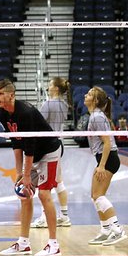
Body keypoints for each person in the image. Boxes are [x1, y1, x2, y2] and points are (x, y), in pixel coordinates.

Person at [0, 79, 61, 256]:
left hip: (49, 152)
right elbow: (16, 142)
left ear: (11, 95)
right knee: (25, 195)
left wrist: (26, 174)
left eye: (0, 94)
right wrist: (19, 173)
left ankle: (54, 244)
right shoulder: (1, 112)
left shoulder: (26, 112)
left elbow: (29, 146)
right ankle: (23, 243)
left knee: (45, 194)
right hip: (33, 154)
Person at [85, 87, 127, 245]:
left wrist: (101, 166)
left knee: (98, 196)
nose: (85, 95)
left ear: (95, 101)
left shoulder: (97, 117)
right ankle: (105, 230)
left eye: (89, 94)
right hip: (104, 158)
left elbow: (108, 142)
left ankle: (117, 229)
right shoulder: (95, 116)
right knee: (94, 195)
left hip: (108, 158)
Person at [38, 77, 72, 227]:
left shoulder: (49, 104)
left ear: (56, 89)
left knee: (45, 182)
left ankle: (45, 217)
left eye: (50, 84)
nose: (48, 86)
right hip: (59, 143)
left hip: (48, 145)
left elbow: (38, 123)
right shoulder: (64, 104)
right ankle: (64, 215)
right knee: (58, 181)